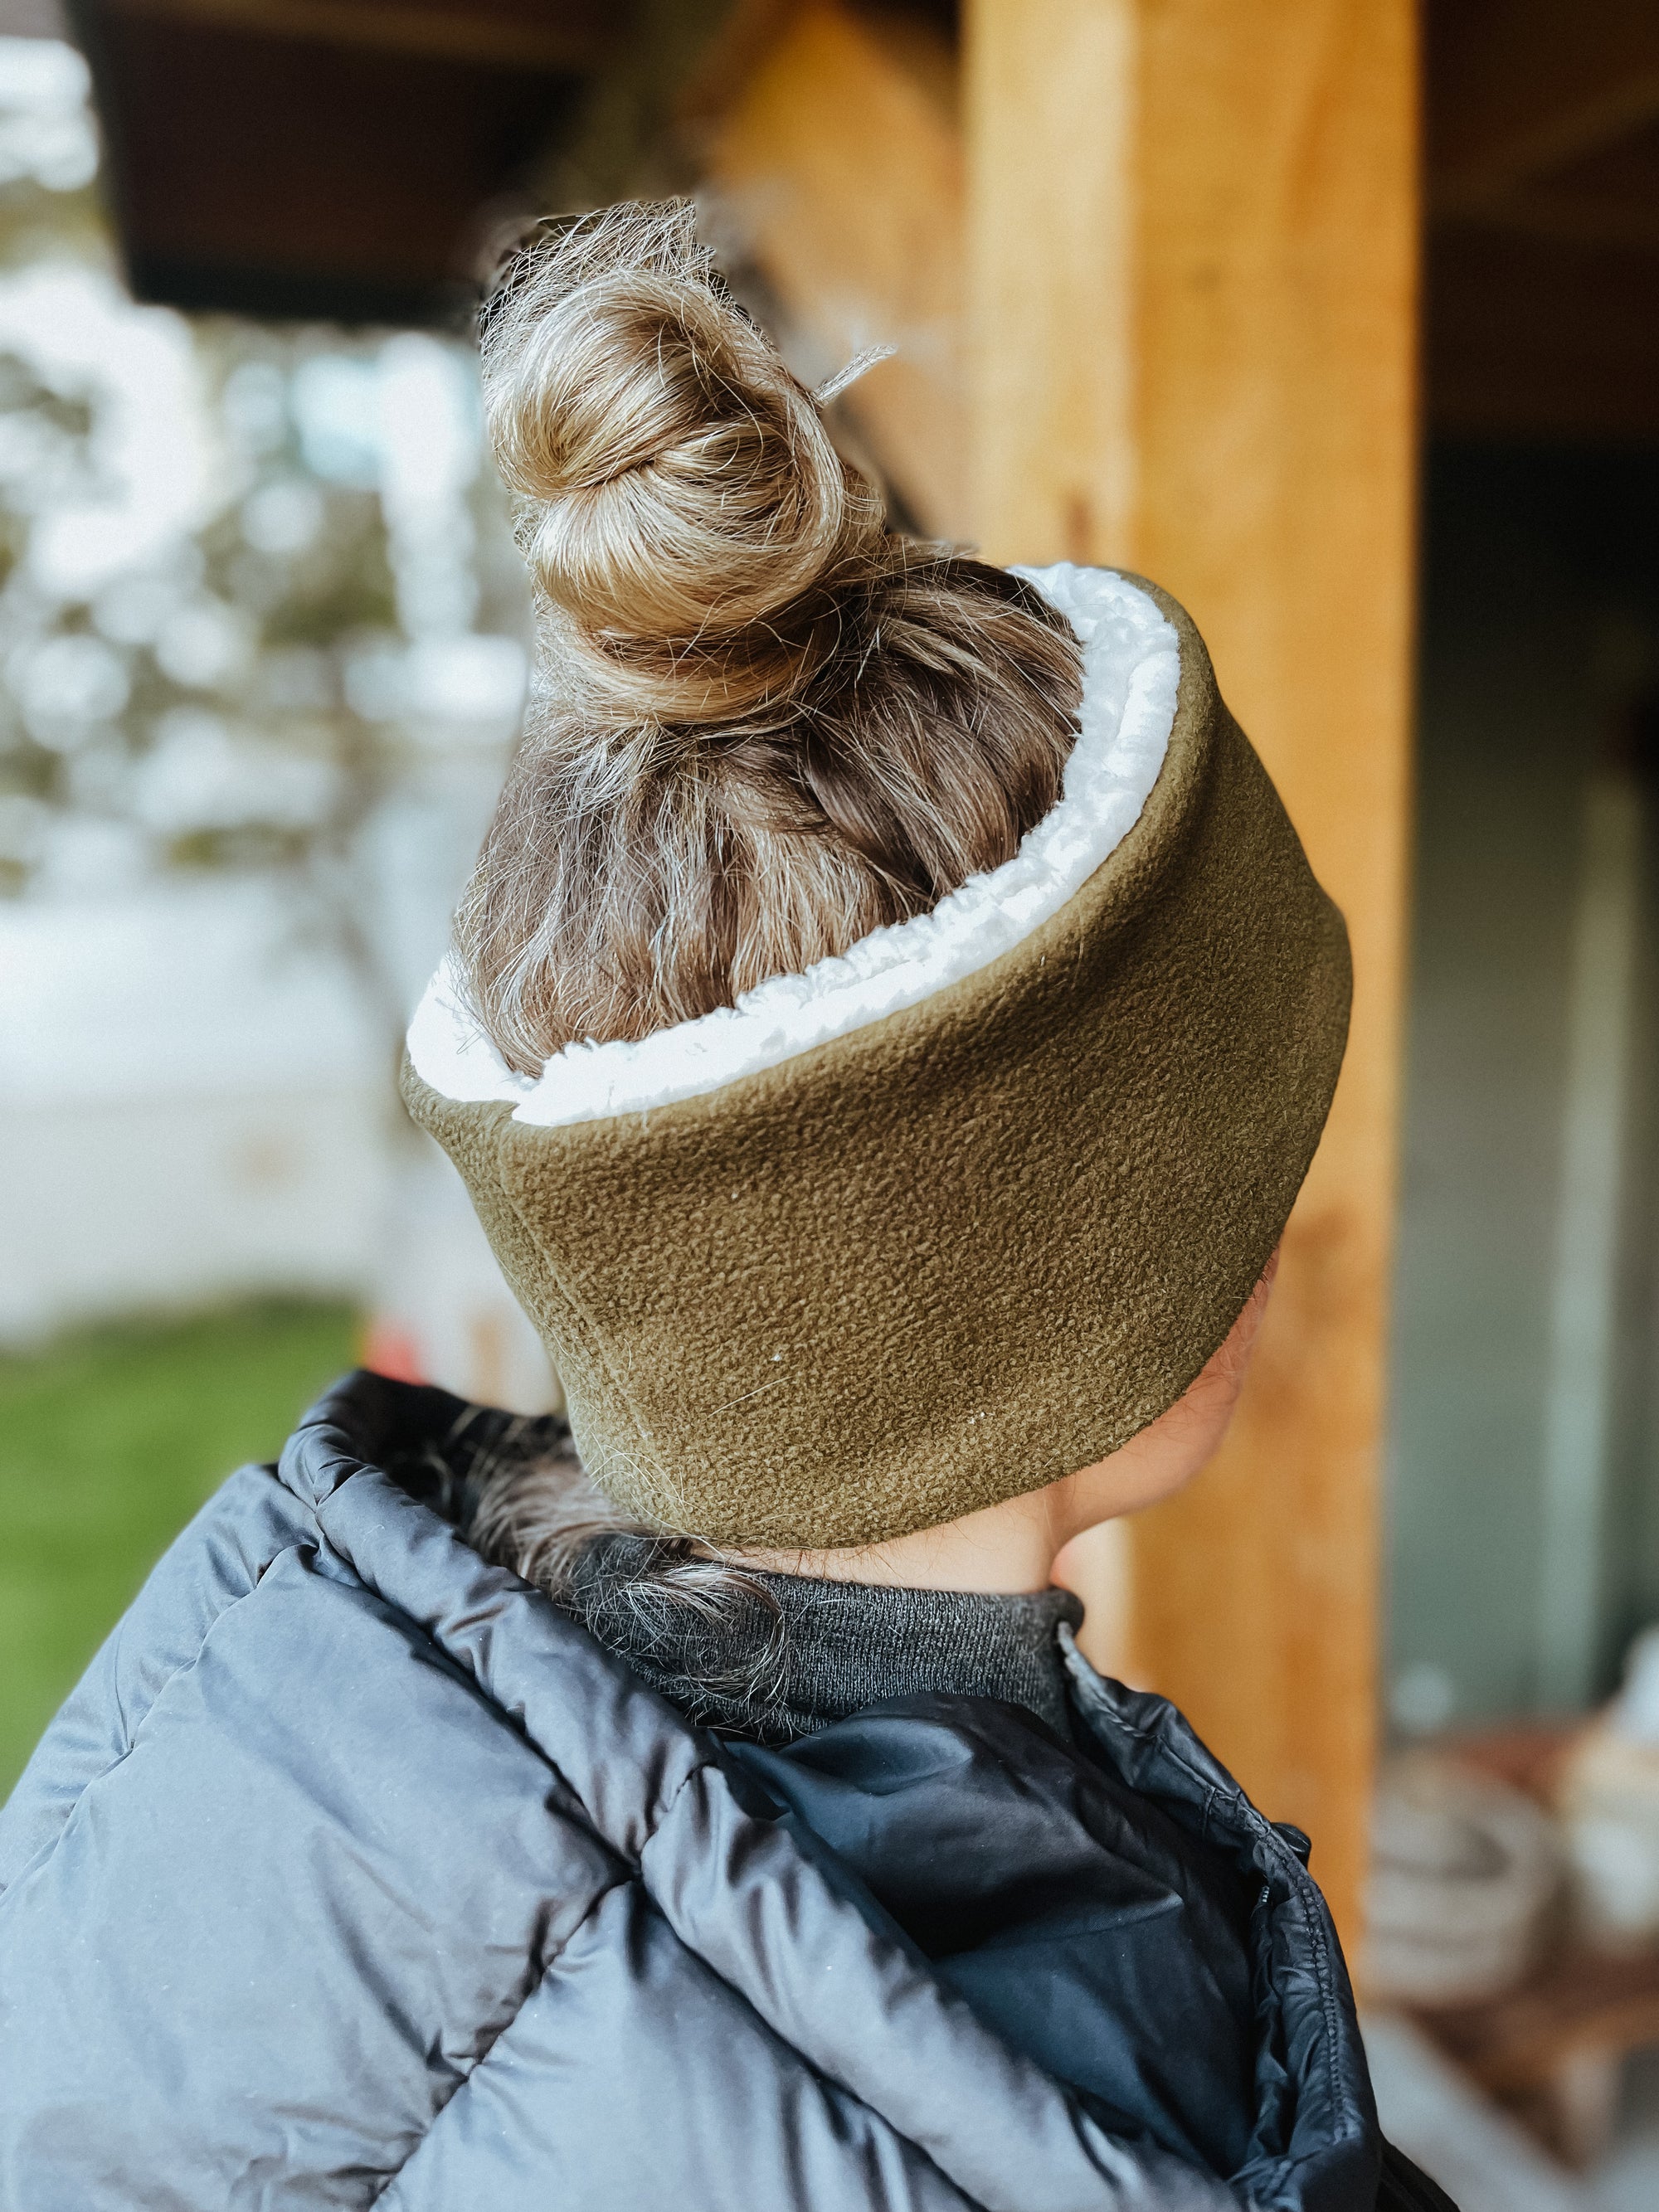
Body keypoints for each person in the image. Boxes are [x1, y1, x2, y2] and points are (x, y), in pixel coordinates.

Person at [0, 202, 1452, 2211]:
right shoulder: (1084, 2081)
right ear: (1107, 1292)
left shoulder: (287, 1721)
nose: (1285, 1242)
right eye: (1254, 1171)